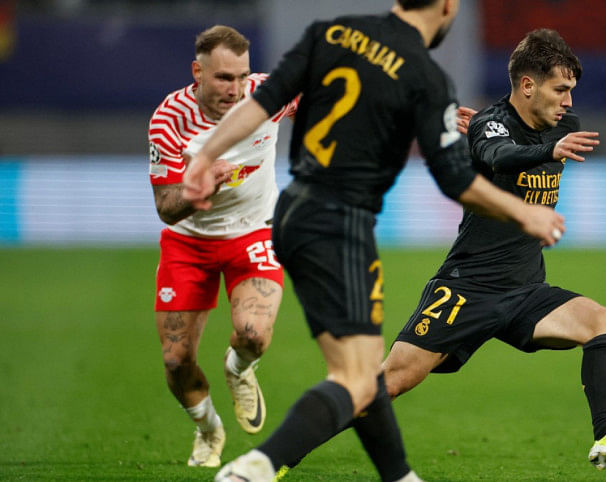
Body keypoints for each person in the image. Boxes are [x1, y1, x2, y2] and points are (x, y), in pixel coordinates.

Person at [182, 1, 567, 481]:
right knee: (355, 380)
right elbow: (455, 179)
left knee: (364, 376)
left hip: (294, 211)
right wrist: (523, 212)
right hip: (340, 224)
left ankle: (400, 476)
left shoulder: (331, 33)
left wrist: (205, 157)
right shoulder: (426, 76)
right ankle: (255, 468)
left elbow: (263, 103)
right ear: (447, 6)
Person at [381, 28, 606, 472]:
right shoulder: (495, 125)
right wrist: (521, 141)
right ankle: (280, 457)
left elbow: (514, 142)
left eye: (571, 90)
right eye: (561, 89)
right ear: (528, 85)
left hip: (525, 290)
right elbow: (498, 154)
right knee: (389, 383)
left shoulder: (560, 126)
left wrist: (530, 140)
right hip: (469, 288)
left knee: (605, 323)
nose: (569, 101)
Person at [148, 25, 297, 468]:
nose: (235, 89)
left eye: (242, 76)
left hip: (254, 232)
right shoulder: (169, 120)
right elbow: (165, 207)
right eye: (223, 78)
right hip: (189, 242)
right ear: (198, 72)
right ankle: (208, 428)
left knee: (253, 334)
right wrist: (196, 191)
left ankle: (239, 369)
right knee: (176, 360)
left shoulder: (266, 95)